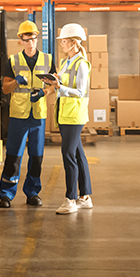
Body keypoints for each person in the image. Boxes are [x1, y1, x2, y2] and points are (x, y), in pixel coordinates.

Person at [0, 20, 56, 208]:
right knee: (14, 156)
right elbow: (5, 89)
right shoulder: (13, 61)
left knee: (37, 156)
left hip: (38, 115)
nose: (30, 43)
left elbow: (54, 86)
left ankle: (32, 192)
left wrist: (44, 92)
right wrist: (16, 81)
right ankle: (6, 194)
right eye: (27, 40)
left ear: (37, 39)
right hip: (18, 116)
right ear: (20, 40)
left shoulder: (47, 59)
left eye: (33, 39)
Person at [45, 23, 93, 215]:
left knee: (68, 155)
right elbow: (65, 83)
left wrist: (59, 87)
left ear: (73, 43)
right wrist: (55, 81)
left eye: (64, 42)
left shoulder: (81, 63)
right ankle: (85, 197)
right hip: (66, 114)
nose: (61, 45)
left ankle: (71, 199)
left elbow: (80, 92)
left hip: (74, 115)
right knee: (78, 154)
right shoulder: (67, 62)